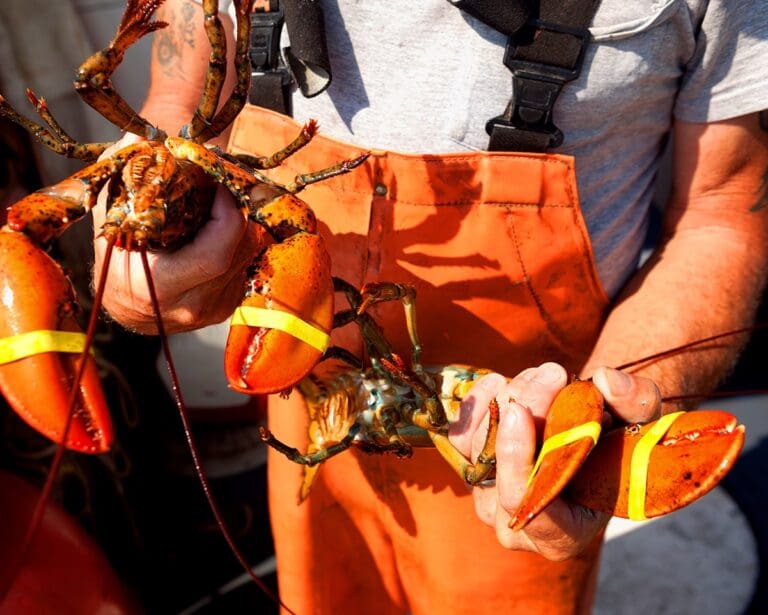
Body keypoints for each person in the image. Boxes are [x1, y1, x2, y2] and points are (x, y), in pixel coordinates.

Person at [92, 0, 768, 612]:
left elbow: (722, 210)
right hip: (296, 374)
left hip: (521, 432)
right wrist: (146, 245)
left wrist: (611, 415)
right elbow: (180, 94)